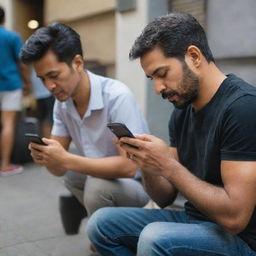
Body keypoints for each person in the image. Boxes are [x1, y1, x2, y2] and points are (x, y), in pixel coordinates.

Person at [86, 13, 256, 256]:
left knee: (155, 239)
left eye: (162, 73)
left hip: (242, 240)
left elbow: (235, 218)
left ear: (194, 56)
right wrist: (147, 164)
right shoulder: (182, 111)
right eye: (151, 78)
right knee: (102, 224)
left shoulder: (243, 108)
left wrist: (167, 165)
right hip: (195, 222)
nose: (158, 89)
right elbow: (164, 196)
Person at [20, 22, 149, 236]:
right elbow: (59, 169)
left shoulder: (117, 96)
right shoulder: (62, 103)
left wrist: (64, 159)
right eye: (43, 79)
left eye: (54, 75)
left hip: (139, 185)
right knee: (73, 177)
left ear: (78, 63)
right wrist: (46, 158)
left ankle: (106, 235)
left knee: (96, 187)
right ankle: (107, 226)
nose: (49, 86)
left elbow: (129, 167)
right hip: (101, 177)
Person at [0, 6, 31, 176]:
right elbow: (22, 63)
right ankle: (4, 165)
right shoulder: (12, 37)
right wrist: (27, 84)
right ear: (4, 19)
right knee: (8, 124)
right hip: (11, 84)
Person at [31, 67, 54, 138]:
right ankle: (47, 144)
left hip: (38, 92)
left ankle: (46, 144)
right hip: (45, 93)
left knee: (44, 121)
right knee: (47, 122)